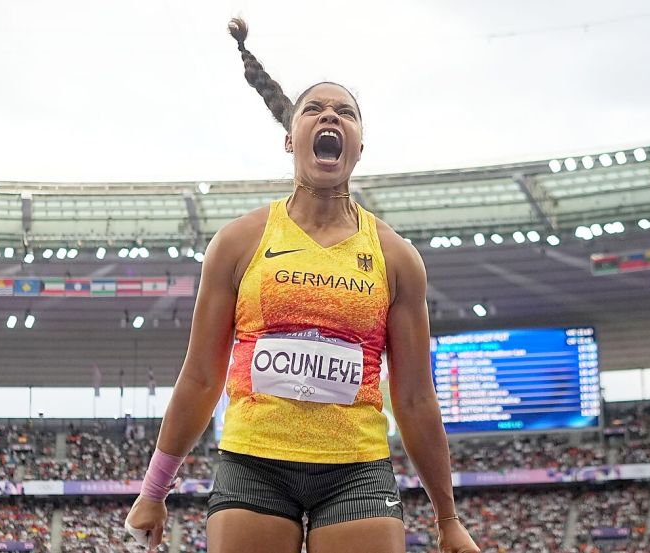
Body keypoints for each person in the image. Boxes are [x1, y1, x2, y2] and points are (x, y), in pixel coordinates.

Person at [125, 18, 480, 553]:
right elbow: (201, 376)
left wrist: (448, 518)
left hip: (356, 469)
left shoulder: (396, 258)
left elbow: (413, 396)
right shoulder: (239, 243)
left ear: (359, 146)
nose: (330, 114)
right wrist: (155, 489)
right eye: (314, 109)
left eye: (346, 112)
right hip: (254, 463)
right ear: (291, 139)